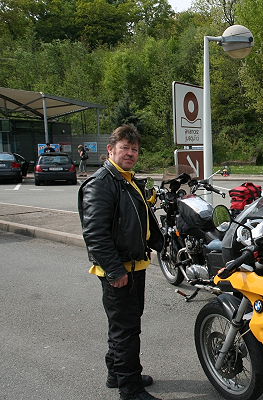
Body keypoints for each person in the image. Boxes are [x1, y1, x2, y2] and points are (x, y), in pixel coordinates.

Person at [78, 124, 163, 400]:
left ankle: (117, 373)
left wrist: (160, 243)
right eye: (124, 148)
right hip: (119, 269)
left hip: (134, 265)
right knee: (126, 330)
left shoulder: (127, 179)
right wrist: (114, 270)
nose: (130, 153)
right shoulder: (102, 183)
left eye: (134, 149)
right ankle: (130, 389)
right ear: (110, 149)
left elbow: (140, 217)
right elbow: (95, 233)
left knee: (124, 325)